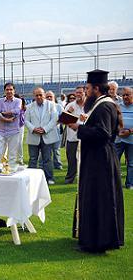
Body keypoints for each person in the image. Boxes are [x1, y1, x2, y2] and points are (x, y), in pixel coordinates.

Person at [68, 69, 124, 253]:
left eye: (88, 88)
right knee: (94, 198)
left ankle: (97, 242)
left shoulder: (104, 106)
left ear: (97, 88)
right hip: (96, 159)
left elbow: (103, 133)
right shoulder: (100, 105)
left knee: (98, 199)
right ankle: (92, 239)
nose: (86, 91)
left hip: (100, 162)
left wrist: (78, 127)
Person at [24, 87, 59, 184]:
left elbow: (54, 119)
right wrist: (33, 129)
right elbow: (26, 120)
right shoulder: (29, 106)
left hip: (47, 136)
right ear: (33, 96)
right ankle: (30, 179)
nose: (39, 97)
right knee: (33, 159)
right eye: (37, 95)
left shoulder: (51, 105)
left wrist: (45, 129)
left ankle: (49, 178)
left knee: (47, 159)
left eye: (41, 95)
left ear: (44, 95)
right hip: (33, 136)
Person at [0, 82, 22, 166]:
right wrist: (6, 119)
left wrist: (3, 113)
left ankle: (11, 172)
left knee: (12, 154)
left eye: (11, 89)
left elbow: (17, 111)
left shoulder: (18, 101)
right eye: (7, 90)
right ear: (4, 91)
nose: (9, 91)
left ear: (14, 91)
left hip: (14, 131)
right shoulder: (0, 101)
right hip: (1, 131)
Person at [64, 86, 85, 184]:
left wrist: (85, 118)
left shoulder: (89, 106)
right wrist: (69, 113)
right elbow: (63, 120)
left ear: (85, 93)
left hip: (85, 138)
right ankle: (70, 178)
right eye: (77, 93)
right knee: (71, 160)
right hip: (72, 138)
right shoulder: (70, 105)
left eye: (80, 92)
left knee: (85, 160)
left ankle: (84, 179)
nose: (78, 95)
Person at [115, 87, 133, 189]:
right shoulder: (118, 106)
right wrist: (118, 131)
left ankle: (129, 183)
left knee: (131, 163)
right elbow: (113, 121)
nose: (125, 97)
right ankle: (115, 183)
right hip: (119, 139)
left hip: (131, 140)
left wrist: (129, 131)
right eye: (123, 95)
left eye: (128, 95)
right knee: (115, 161)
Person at [45, 91, 63, 170]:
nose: (49, 98)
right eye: (47, 96)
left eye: (50, 96)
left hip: (56, 131)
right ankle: (44, 165)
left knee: (56, 150)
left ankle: (58, 165)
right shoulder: (43, 107)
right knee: (45, 150)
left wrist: (56, 122)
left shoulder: (58, 106)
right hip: (45, 132)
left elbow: (63, 117)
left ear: (54, 98)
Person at [14, 93, 26, 165]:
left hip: (20, 126)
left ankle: (20, 159)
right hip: (11, 126)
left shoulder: (23, 107)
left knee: (19, 143)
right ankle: (11, 158)